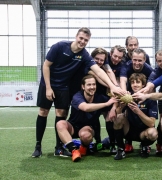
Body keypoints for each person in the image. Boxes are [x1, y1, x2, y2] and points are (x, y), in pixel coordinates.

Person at [31, 27, 125, 158]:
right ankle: (38, 146)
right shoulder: (59, 47)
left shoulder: (84, 55)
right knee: (43, 112)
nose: (82, 42)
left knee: (61, 114)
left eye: (86, 40)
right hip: (48, 84)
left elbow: (98, 71)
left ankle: (59, 147)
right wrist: (48, 87)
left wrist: (112, 86)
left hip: (64, 87)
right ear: (76, 36)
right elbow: (46, 65)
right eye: (81, 38)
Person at [56, 75, 118, 162]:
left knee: (85, 135)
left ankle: (84, 147)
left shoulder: (100, 97)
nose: (92, 87)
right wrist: (106, 104)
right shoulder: (77, 96)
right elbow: (85, 107)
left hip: (87, 128)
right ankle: (73, 150)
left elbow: (115, 100)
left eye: (94, 84)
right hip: (73, 126)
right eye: (89, 85)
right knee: (60, 123)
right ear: (83, 87)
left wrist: (113, 107)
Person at [113, 73, 158, 160]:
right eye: (133, 82)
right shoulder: (127, 97)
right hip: (129, 130)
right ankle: (121, 149)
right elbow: (117, 116)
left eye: (138, 82)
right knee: (119, 118)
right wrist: (120, 107)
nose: (135, 85)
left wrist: (138, 111)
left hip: (143, 132)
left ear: (143, 85)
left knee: (153, 133)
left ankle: (145, 146)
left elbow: (152, 123)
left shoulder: (150, 99)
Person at [120, 48, 154, 152]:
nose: (137, 63)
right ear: (131, 58)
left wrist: (143, 97)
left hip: (143, 93)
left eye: (140, 60)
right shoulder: (126, 66)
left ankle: (145, 143)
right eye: (135, 60)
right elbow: (123, 81)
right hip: (128, 92)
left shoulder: (149, 70)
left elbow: (151, 86)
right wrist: (125, 94)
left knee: (144, 114)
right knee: (122, 115)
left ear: (145, 60)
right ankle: (125, 142)